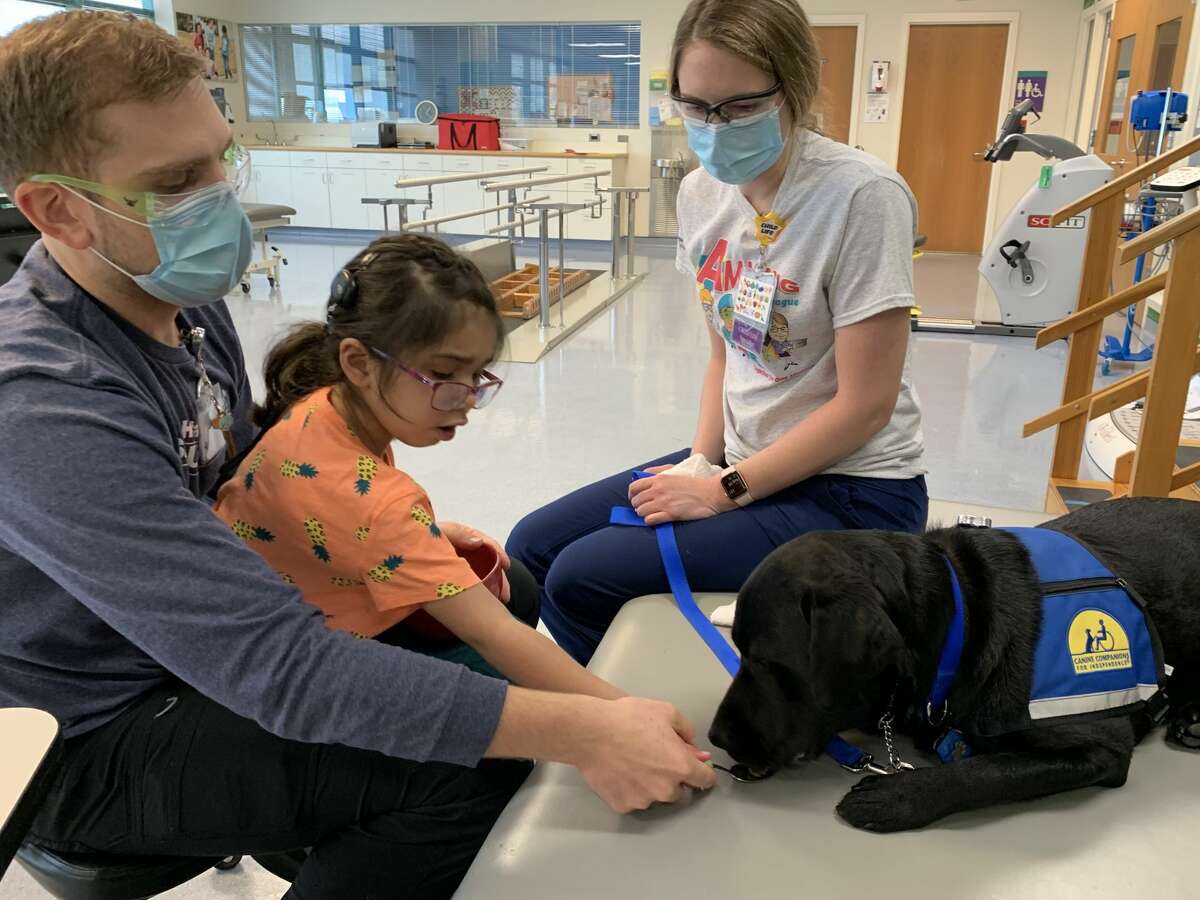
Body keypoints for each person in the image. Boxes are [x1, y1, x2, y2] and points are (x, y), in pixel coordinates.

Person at [0, 11, 713, 899]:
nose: (223, 194)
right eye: (180, 179)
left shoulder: (176, 301)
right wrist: (587, 731)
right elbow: (282, 669)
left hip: (207, 646)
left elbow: (243, 471)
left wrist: (364, 530)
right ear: (57, 210)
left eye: (222, 155)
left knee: (507, 590)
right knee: (464, 772)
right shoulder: (43, 403)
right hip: (102, 731)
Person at [507, 0, 928, 665]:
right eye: (695, 106)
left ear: (793, 90)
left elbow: (865, 405)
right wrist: (702, 462)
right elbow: (723, 357)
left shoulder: (861, 197)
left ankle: (661, 719)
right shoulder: (701, 195)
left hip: (852, 489)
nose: (713, 127)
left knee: (581, 577)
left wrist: (723, 491)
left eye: (737, 108)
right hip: (740, 460)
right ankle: (618, 711)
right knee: (531, 548)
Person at [213, 233, 627, 701]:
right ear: (359, 362)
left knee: (519, 588)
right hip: (292, 664)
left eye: (477, 375)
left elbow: (333, 524)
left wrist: (423, 536)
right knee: (492, 679)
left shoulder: (322, 404)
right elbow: (496, 637)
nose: (468, 399)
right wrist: (622, 712)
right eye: (446, 374)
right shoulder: (377, 502)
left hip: (271, 614)